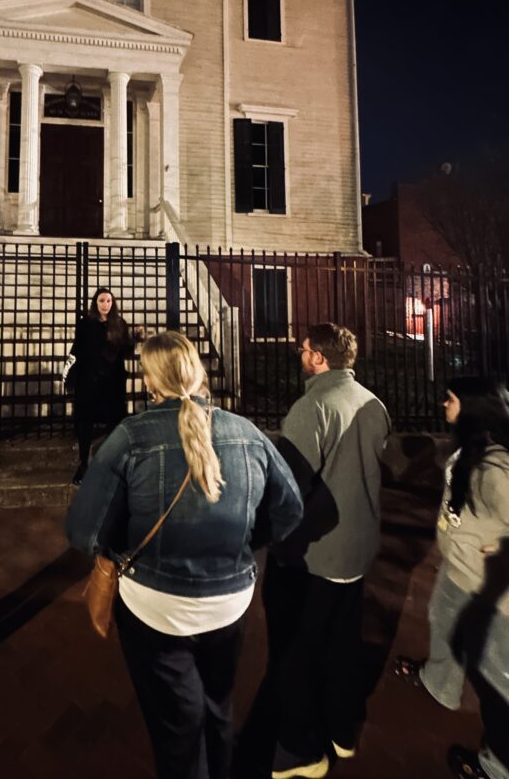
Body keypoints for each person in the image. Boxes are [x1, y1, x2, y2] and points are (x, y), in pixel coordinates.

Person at [66, 330, 303, 779]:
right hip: (230, 600)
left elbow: (84, 530)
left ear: (149, 382)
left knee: (176, 725)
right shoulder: (247, 433)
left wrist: (120, 549)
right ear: (198, 374)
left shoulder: (130, 437)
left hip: (156, 605)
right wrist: (239, 543)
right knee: (219, 705)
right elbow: (289, 508)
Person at [264, 322, 391, 779]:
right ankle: (342, 730)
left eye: (303, 351)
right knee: (342, 642)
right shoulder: (373, 403)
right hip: (359, 548)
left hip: (315, 554)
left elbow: (287, 490)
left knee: (296, 653)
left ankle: (302, 750)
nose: (300, 356)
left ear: (319, 357)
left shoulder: (311, 406)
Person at [393, 376, 509, 779]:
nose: (445, 404)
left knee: (496, 681)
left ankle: (497, 767)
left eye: (452, 399)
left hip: (488, 590)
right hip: (457, 569)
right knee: (440, 622)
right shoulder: (468, 448)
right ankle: (440, 682)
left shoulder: (496, 467)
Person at [69, 286, 143, 484]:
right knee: (86, 422)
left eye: (109, 301)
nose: (105, 304)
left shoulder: (119, 324)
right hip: (89, 379)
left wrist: (134, 339)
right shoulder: (86, 324)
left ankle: (111, 465)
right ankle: (84, 463)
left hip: (112, 381)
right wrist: (72, 376)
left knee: (114, 422)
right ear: (96, 303)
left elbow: (125, 352)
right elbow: (79, 349)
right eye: (102, 300)